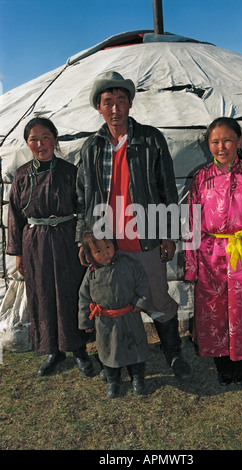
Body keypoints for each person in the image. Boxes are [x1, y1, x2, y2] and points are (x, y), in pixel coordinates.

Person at [76, 71, 191, 381]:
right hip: (106, 246)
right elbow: (83, 197)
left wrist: (168, 233)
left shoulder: (150, 139)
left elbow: (167, 188)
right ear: (98, 107)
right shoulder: (91, 148)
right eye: (108, 102)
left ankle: (173, 354)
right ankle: (113, 362)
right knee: (111, 306)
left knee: (158, 298)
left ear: (129, 104)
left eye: (121, 101)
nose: (115, 108)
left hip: (144, 238)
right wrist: (82, 241)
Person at [185, 117, 242, 386]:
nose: (221, 146)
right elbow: (192, 224)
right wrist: (192, 265)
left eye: (227, 140)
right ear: (208, 145)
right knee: (216, 314)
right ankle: (224, 368)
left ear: (239, 142)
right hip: (210, 255)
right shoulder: (202, 179)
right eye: (214, 142)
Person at [7, 117, 94, 377]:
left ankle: (79, 349)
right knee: (42, 295)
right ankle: (52, 350)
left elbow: (84, 208)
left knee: (70, 293)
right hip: (35, 243)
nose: (40, 143)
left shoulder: (70, 171)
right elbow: (14, 216)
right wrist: (18, 254)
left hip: (67, 240)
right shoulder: (22, 175)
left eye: (45, 137)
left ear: (55, 139)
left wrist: (84, 242)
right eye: (33, 139)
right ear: (27, 143)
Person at [78, 229, 150, 398]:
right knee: (108, 352)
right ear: (89, 255)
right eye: (98, 251)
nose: (106, 253)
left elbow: (143, 282)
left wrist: (140, 302)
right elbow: (83, 298)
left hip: (129, 316)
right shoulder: (91, 274)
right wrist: (86, 322)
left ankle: (138, 379)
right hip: (105, 322)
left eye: (108, 247)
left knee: (136, 350)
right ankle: (113, 381)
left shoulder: (129, 263)